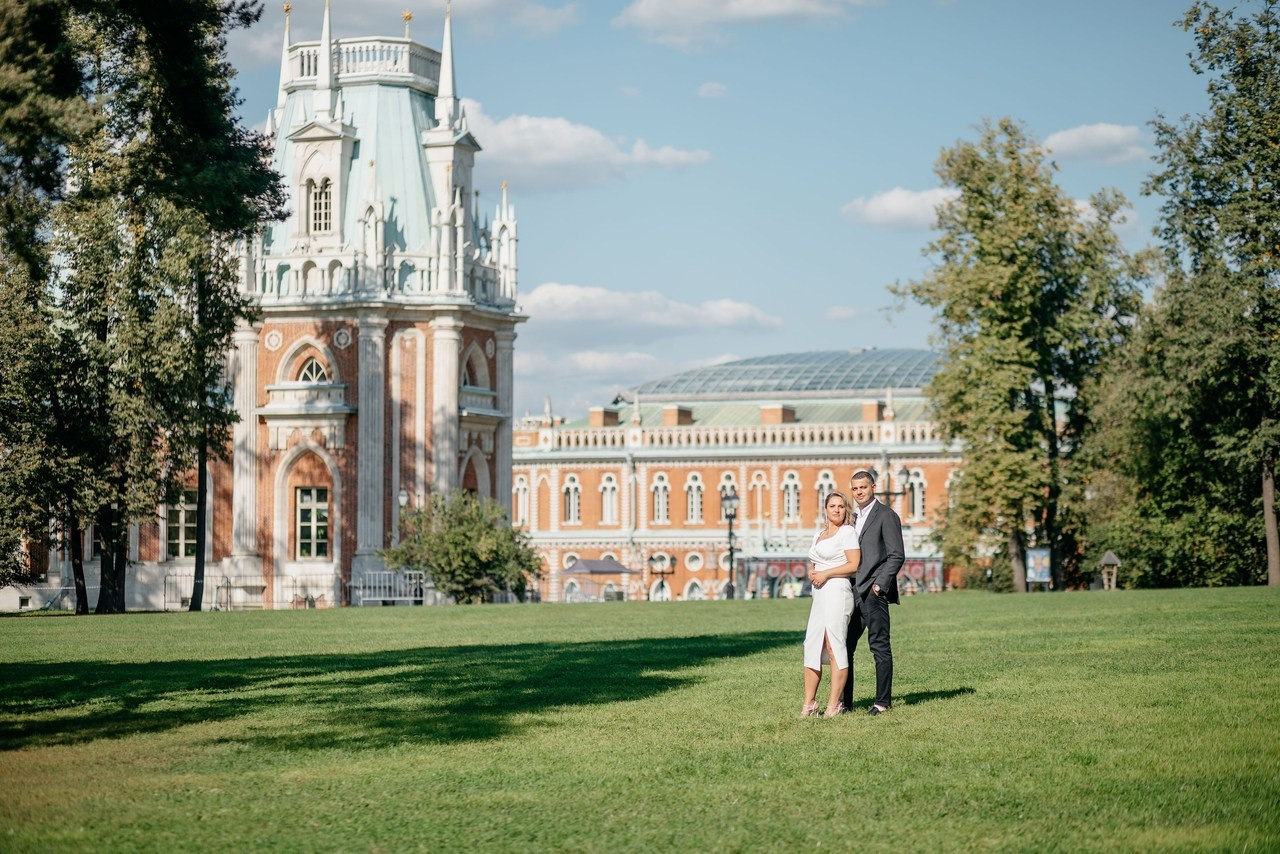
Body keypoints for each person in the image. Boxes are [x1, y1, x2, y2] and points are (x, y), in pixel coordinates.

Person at [841, 469, 905, 716]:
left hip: (873, 592)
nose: (858, 492)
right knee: (845, 646)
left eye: (863, 488)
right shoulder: (851, 519)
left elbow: (896, 555)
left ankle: (882, 702)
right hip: (852, 591)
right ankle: (845, 703)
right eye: (855, 489)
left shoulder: (886, 516)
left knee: (879, 646)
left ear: (873, 487)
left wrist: (879, 585)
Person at [801, 491, 860, 718]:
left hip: (837, 591)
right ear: (825, 508)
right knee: (812, 645)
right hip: (819, 595)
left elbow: (854, 564)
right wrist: (814, 573)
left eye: (841, 506)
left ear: (846, 511)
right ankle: (810, 703)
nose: (836, 509)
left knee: (834, 645)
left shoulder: (847, 533)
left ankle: (834, 704)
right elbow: (814, 562)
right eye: (832, 506)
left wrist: (825, 574)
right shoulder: (818, 535)